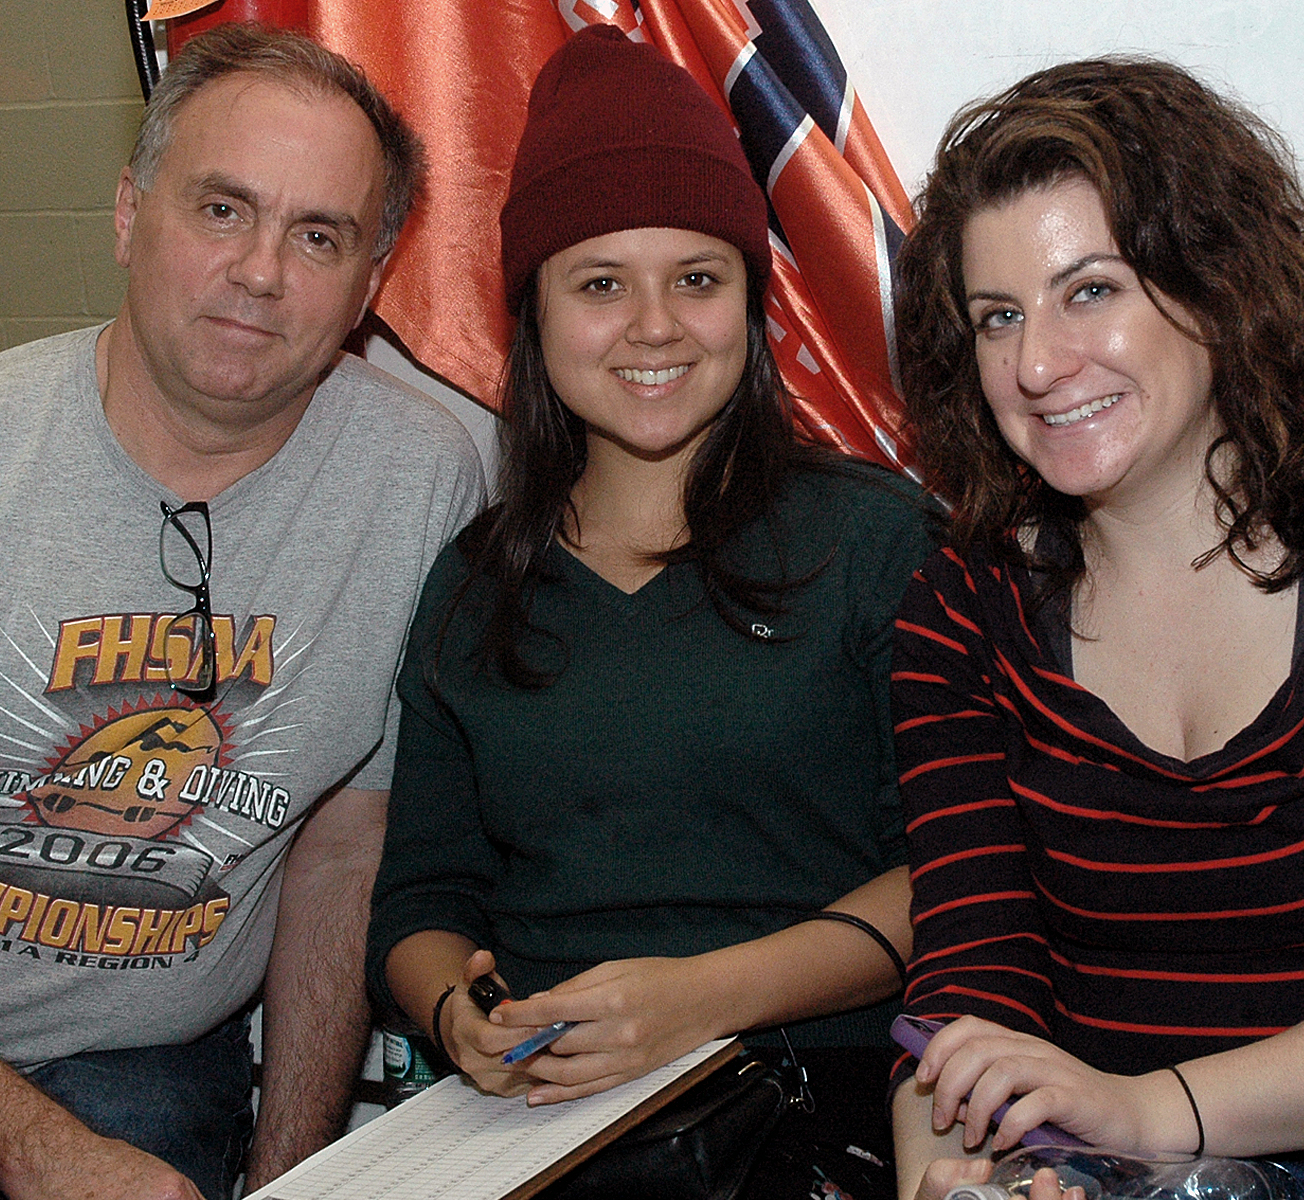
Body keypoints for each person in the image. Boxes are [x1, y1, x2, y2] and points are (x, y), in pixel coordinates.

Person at [366, 23, 937, 1193]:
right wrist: (456, 1014)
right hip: (531, 1123)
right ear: (533, 313)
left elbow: (957, 876)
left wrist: (696, 1000)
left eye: (696, 277)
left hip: (812, 1102)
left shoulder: (873, 537)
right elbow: (422, 900)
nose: (656, 326)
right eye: (600, 284)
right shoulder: (475, 582)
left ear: (751, 299)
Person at [0, 24, 483, 1200]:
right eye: (222, 210)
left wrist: (292, 1176)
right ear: (130, 215)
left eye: (317, 235)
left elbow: (343, 849)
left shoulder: (420, 484)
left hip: (146, 1063)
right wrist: (36, 1154)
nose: (261, 272)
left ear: (372, 280)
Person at [886, 57, 1304, 1200]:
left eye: (1091, 291)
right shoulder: (957, 615)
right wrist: (949, 1178)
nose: (1035, 365)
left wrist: (1153, 1112)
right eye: (997, 318)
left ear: (1218, 284)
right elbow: (970, 983)